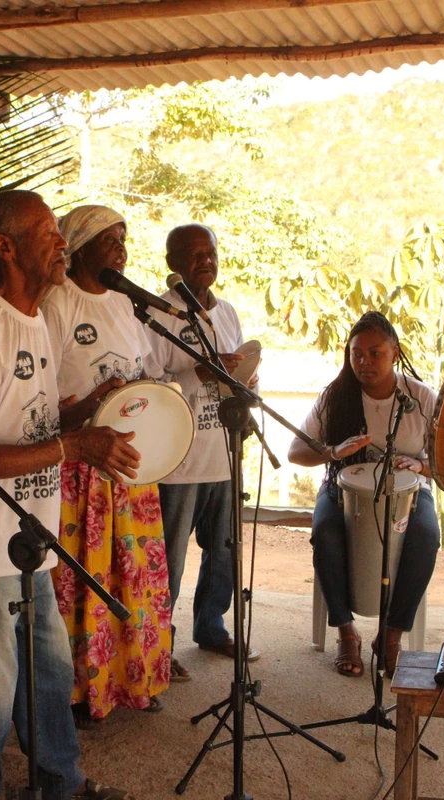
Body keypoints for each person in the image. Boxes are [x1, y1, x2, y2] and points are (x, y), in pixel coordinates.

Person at [0, 189, 139, 800]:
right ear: (4, 246)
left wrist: (90, 420)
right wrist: (74, 450)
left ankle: (59, 783)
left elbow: (34, 424)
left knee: (47, 671)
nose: (61, 241)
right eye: (47, 231)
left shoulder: (37, 316)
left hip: (28, 534)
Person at [40, 205, 172, 727]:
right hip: (81, 466)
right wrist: (94, 401)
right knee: (85, 580)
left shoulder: (124, 302)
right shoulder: (56, 303)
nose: (121, 246)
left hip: (132, 464)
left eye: (124, 237)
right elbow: (41, 400)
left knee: (132, 577)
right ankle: (80, 689)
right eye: (109, 238)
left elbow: (141, 373)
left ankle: (132, 678)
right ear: (78, 244)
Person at [287, 312, 439, 678]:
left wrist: (419, 467)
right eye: (357, 354)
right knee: (325, 531)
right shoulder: (337, 396)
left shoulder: (420, 398)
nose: (365, 363)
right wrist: (332, 452)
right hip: (343, 487)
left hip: (409, 492)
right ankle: (346, 632)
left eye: (375, 354)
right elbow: (296, 451)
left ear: (395, 352)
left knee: (426, 535)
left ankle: (391, 634)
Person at [143, 223, 250, 681]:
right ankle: (158, 644)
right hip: (179, 458)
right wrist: (198, 377)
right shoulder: (158, 313)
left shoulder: (224, 313)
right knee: (170, 557)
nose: (205, 260)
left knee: (224, 550)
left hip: (223, 452)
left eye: (210, 252)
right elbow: (146, 382)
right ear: (172, 264)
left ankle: (211, 625)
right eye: (193, 253)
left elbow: (240, 370)